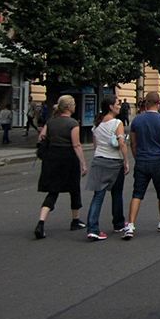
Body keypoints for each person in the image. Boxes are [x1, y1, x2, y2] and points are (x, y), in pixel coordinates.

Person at [122, 91, 160, 239]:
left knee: (137, 193)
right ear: (158, 104)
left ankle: (131, 224)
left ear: (146, 103)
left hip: (142, 160)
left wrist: (137, 157)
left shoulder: (137, 120)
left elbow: (133, 143)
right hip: (159, 160)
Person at [34, 95, 88, 239]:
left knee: (53, 191)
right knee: (74, 189)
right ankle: (75, 220)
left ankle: (41, 222)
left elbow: (41, 137)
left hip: (51, 159)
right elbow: (76, 145)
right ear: (69, 107)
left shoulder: (51, 121)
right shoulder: (73, 123)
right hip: (68, 159)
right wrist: (83, 163)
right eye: (74, 104)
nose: (75, 106)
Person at [85, 95, 129, 241]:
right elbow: (122, 143)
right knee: (117, 193)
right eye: (117, 104)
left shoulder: (97, 123)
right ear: (110, 106)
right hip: (114, 161)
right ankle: (118, 223)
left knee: (98, 195)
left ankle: (92, 228)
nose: (119, 106)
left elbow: (95, 145)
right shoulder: (117, 123)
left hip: (99, 160)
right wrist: (126, 161)